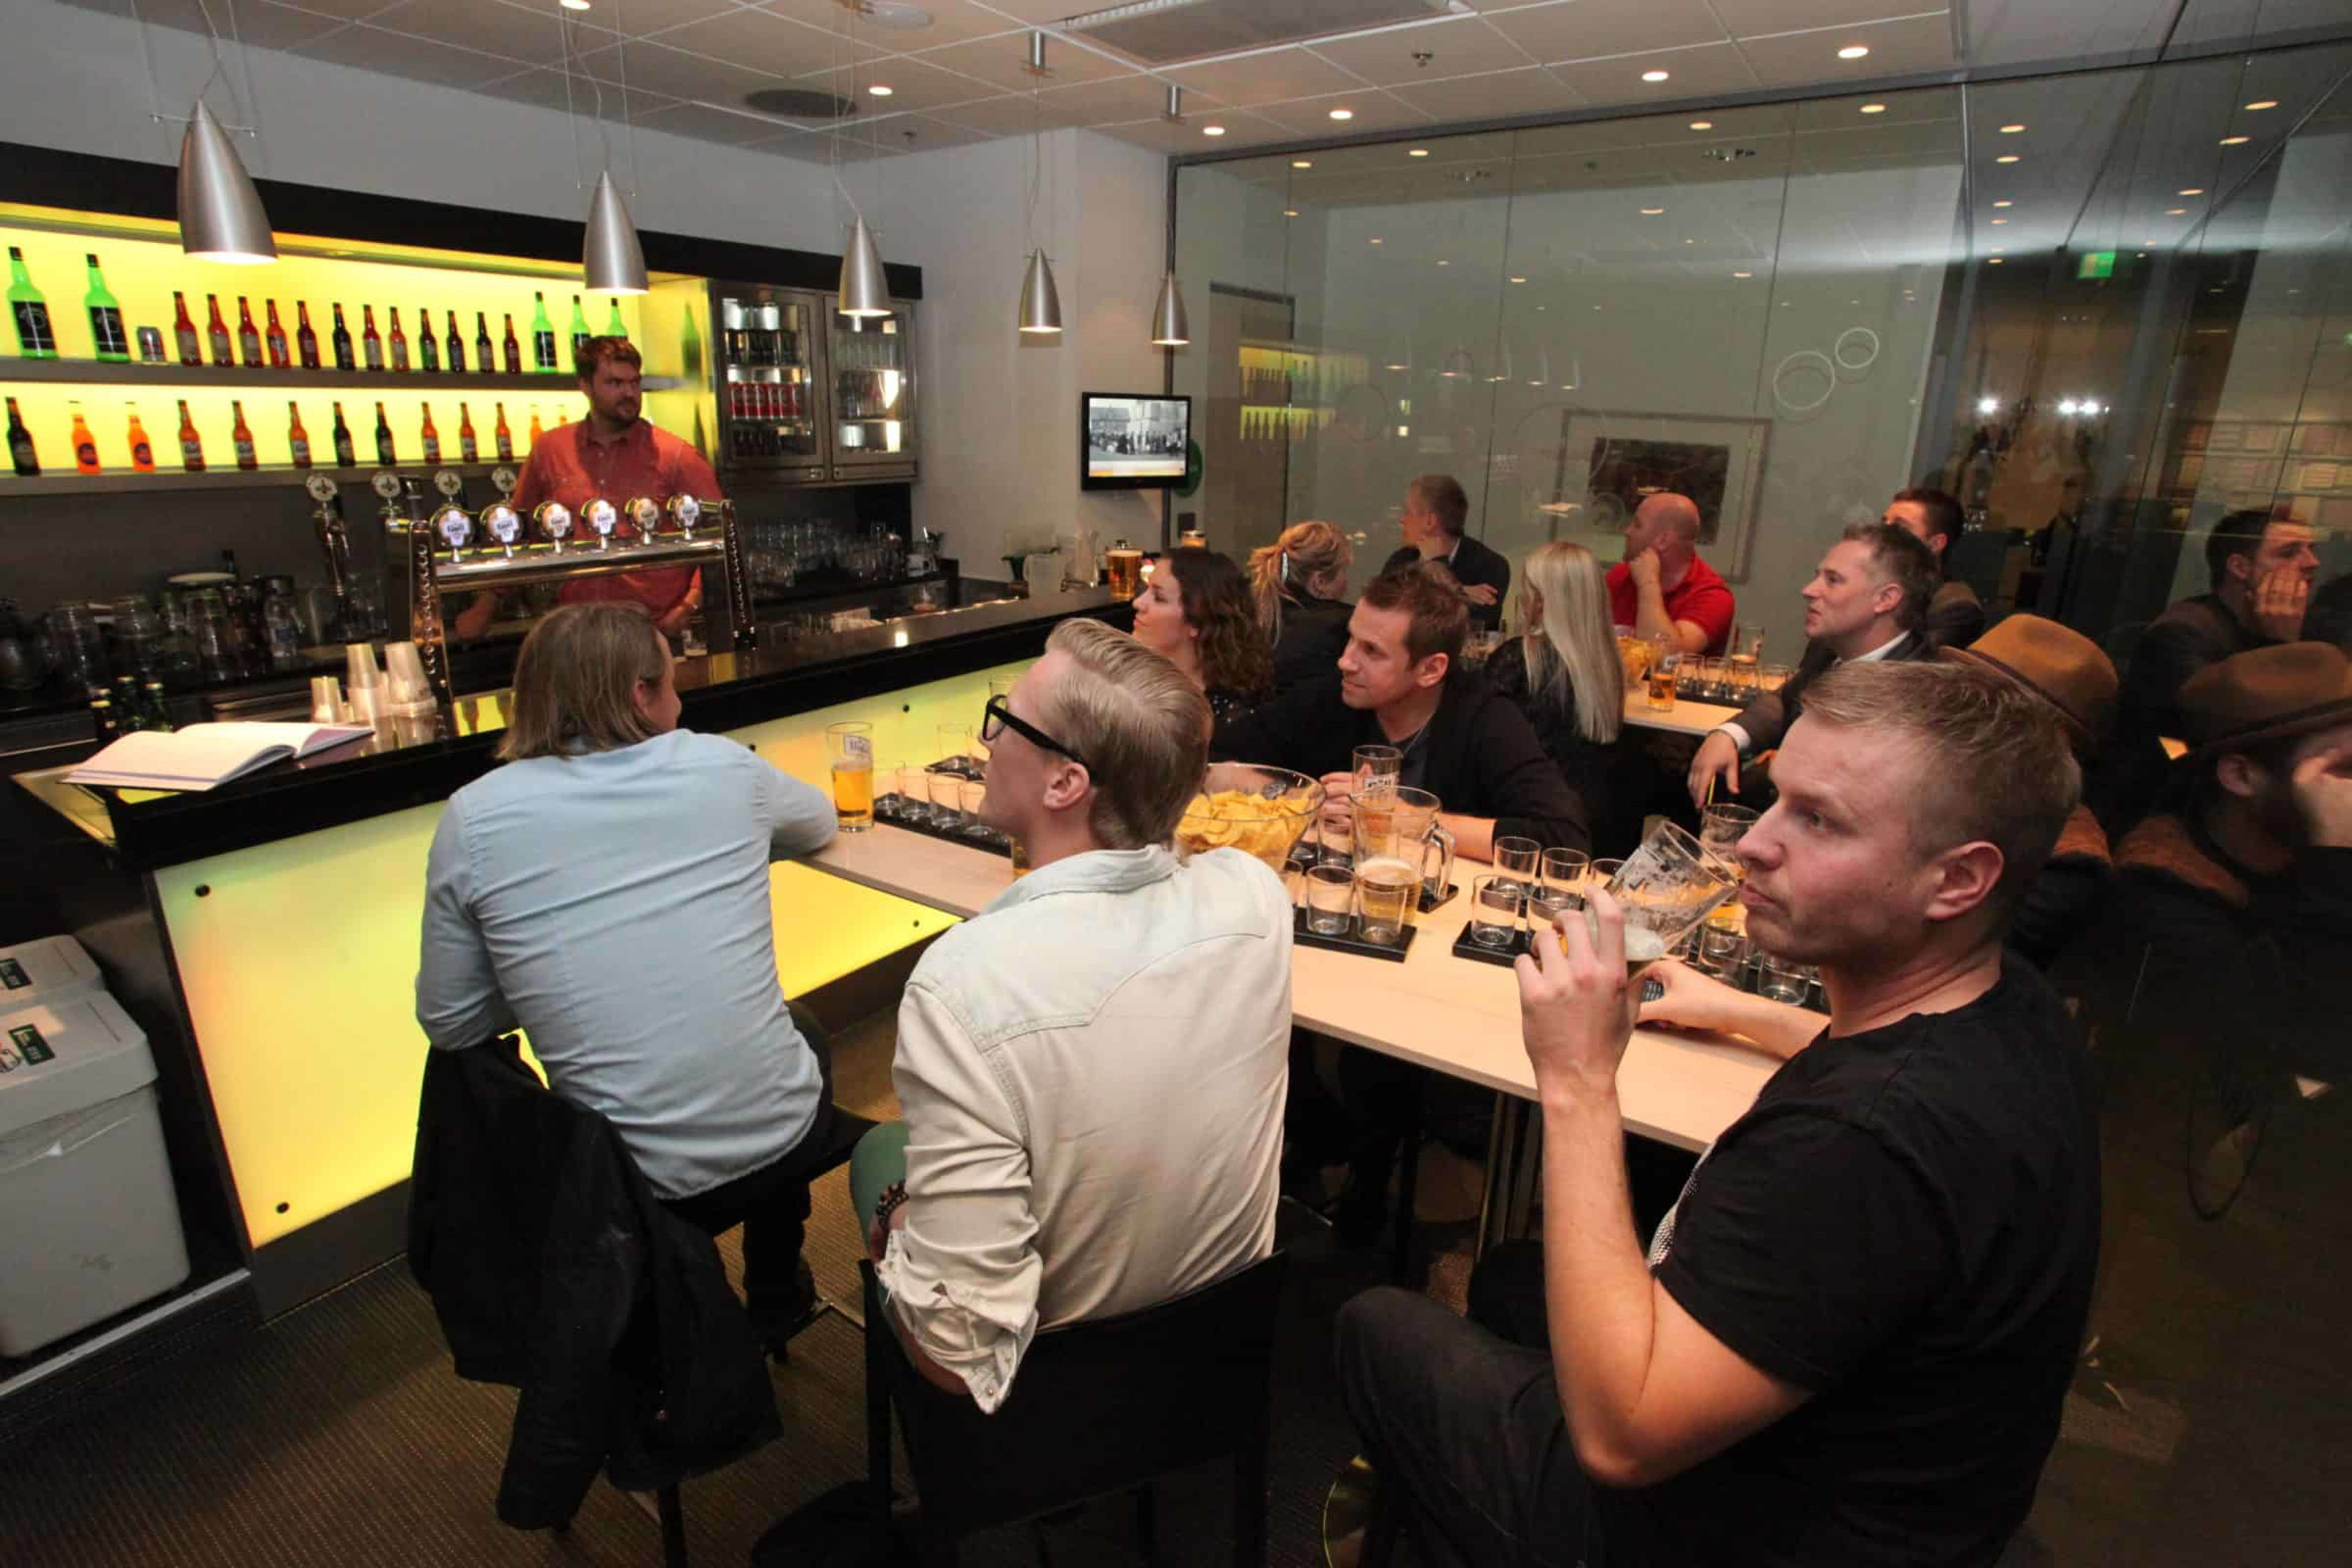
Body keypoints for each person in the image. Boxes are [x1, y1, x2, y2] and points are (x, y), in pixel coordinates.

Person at [1336, 659, 2099, 1567]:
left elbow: (1625, 1439)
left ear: (1957, 881)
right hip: (1910, 1483)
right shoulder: (2011, 1003)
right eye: (1778, 799)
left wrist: (1578, 1081)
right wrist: (1745, 1011)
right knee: (1508, 1277)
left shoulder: (1860, 1145)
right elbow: (1879, 1060)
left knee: (1376, 1325)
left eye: (1820, 821)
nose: (1754, 847)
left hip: (1731, 1530)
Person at [852, 618, 1293, 1411]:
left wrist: (907, 1214)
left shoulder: (961, 983)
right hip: (1222, 1358)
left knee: (880, 1158)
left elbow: (957, 1357)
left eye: (1006, 720)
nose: (987, 739)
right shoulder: (1257, 897)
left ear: (1066, 785)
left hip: (1041, 1404)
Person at [415, 601, 839, 1354]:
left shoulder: (474, 817)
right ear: (642, 695)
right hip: (774, 1134)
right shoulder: (720, 766)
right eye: (672, 685)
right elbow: (821, 823)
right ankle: (775, 1287)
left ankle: (665, 1321)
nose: (681, 703)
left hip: (620, 1181)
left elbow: (453, 1024)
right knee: (802, 1031)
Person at [1213, 560, 1591, 859]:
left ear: (1431, 670)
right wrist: (1302, 800)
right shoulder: (1333, 697)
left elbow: (1563, 840)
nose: (1346, 661)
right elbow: (1212, 761)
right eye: (1351, 640)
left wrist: (1400, 817)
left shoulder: (1485, 718)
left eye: (1372, 651)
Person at [459, 337, 724, 642]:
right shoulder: (550, 450)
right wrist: (485, 606)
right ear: (585, 386)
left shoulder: (676, 455)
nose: (628, 393)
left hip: (651, 630)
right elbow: (516, 534)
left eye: (634, 383)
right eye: (614, 383)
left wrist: (688, 606)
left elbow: (720, 538)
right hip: (575, 631)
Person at [1687, 521, 1939, 808]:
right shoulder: (1828, 648)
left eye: (1833, 580)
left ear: (1886, 599)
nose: (1808, 590)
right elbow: (1785, 701)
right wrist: (1729, 735)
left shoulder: (1916, 691)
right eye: (1817, 576)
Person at [2101, 510, 2321, 829]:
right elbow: (2207, 737)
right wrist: (2280, 645)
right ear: (2240, 567)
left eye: (2312, 549)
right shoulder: (2183, 632)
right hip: (2165, 809)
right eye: (2289, 552)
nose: (2312, 562)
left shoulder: (2297, 627)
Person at [1941, 614, 2120, 967]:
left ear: (2051, 740)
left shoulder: (2067, 864)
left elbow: (1944, 964)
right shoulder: (1957, 785)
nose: (1947, 715)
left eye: (1981, 706)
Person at [1484, 540, 1633, 852]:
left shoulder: (1519, 658)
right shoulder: (1609, 664)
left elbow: (1482, 740)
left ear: (1539, 601)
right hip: (1598, 823)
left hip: (1530, 822)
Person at [1129, 548, 1272, 726]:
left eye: (1158, 597)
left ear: (1197, 620)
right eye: (1146, 590)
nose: (1138, 603)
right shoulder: (1133, 680)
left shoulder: (1223, 719)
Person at [1605, 492, 1736, 656]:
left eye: (1637, 525)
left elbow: (1666, 658)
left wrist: (1648, 584)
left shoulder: (1713, 596)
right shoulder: (1620, 576)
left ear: (1663, 540)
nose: (1627, 531)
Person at [1381, 473, 1512, 632]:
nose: (1402, 520)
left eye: (1408, 512)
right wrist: (1459, 591)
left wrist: (1438, 565)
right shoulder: (1401, 560)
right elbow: (1382, 614)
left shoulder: (1491, 566)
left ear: (1430, 521)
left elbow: (1465, 631)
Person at [1250, 519, 1355, 695]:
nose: (1346, 582)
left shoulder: (1258, 617)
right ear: (1319, 581)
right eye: (1343, 571)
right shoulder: (1342, 627)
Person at [1883, 484, 1987, 649]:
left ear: (1936, 544)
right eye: (1885, 523)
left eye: (1898, 527)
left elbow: (1904, 663)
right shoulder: (1873, 579)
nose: (1882, 532)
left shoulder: (1956, 608)